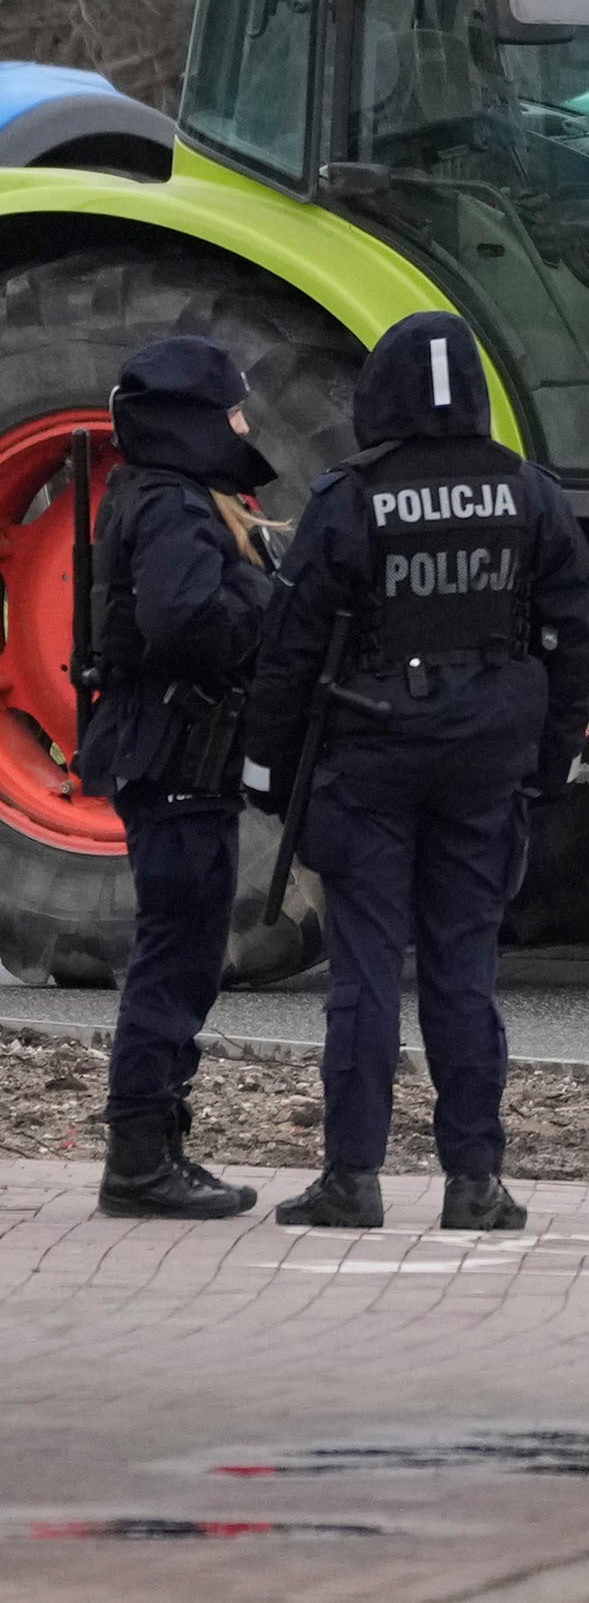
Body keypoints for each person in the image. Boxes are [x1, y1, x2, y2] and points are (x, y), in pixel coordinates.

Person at [242, 312, 589, 1232]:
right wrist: (549, 761)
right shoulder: (531, 494)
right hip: (488, 762)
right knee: (463, 970)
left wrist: (268, 774)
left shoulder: (349, 498)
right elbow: (573, 641)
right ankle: (475, 1181)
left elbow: (287, 651)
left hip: (369, 758)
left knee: (364, 970)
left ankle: (352, 1178)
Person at [82, 338, 284, 1219]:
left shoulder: (170, 495)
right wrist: (275, 603)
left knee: (186, 956)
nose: (242, 427)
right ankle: (139, 1157)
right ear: (190, 421)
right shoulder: (170, 504)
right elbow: (187, 618)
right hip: (173, 756)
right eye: (230, 411)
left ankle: (155, 1146)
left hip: (179, 758)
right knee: (174, 959)